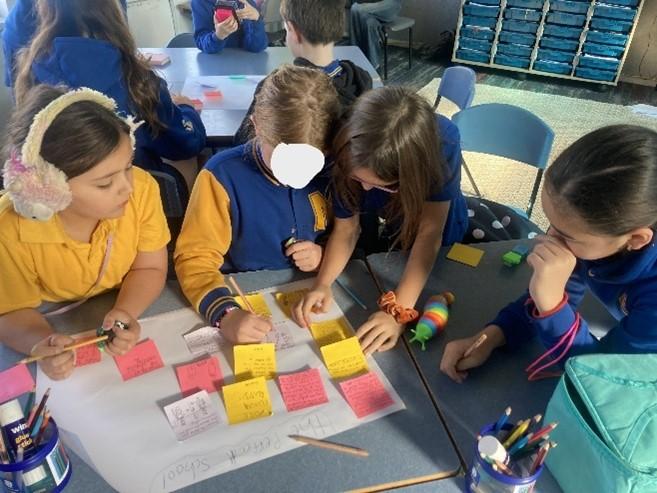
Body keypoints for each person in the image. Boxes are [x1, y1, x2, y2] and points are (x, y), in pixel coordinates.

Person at [440, 125, 657, 383]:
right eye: (550, 223)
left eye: (566, 235)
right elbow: (550, 297)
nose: (550, 238)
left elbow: (602, 376)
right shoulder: (595, 242)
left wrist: (552, 305)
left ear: (635, 239)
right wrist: (492, 336)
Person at [0, 85, 170, 380]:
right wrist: (42, 343)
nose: (127, 187)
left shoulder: (142, 190)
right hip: (48, 312)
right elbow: (10, 311)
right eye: (104, 184)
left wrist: (126, 311)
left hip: (114, 301)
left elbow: (151, 266)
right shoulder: (9, 228)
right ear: (46, 190)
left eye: (128, 166)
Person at [293, 86, 468, 355]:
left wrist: (398, 312)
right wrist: (323, 283)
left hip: (434, 225)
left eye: (379, 184)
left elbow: (430, 233)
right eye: (358, 179)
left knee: (436, 281)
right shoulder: (351, 144)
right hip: (390, 222)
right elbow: (347, 228)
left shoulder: (443, 143)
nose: (363, 189)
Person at [175, 65, 340, 344]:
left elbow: (344, 231)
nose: (297, 173)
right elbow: (195, 258)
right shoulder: (222, 176)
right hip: (242, 294)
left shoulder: (331, 169)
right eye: (284, 159)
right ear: (257, 125)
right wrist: (225, 314)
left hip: (307, 293)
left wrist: (322, 254)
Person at [13, 0, 206, 178]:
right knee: (188, 157)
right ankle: (185, 215)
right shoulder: (134, 76)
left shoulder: (30, 69)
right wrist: (188, 111)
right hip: (129, 190)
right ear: (111, 12)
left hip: (58, 196)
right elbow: (186, 144)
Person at [234, 0, 372, 145]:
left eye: (286, 31)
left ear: (293, 32)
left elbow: (242, 142)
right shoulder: (361, 80)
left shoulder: (276, 88)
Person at [2, 0, 127, 87]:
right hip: (25, 34)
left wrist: (126, 55)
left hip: (54, 22)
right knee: (35, 108)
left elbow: (117, 27)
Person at [191, 0, 268, 54]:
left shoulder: (245, 3)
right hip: (212, 64)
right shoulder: (200, 2)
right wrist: (218, 36)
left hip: (243, 65)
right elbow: (201, 41)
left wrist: (256, 20)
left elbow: (257, 47)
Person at [349, 0, 401, 70]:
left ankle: (355, 56)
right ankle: (373, 63)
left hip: (389, 4)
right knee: (369, 22)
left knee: (355, 8)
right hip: (369, 6)